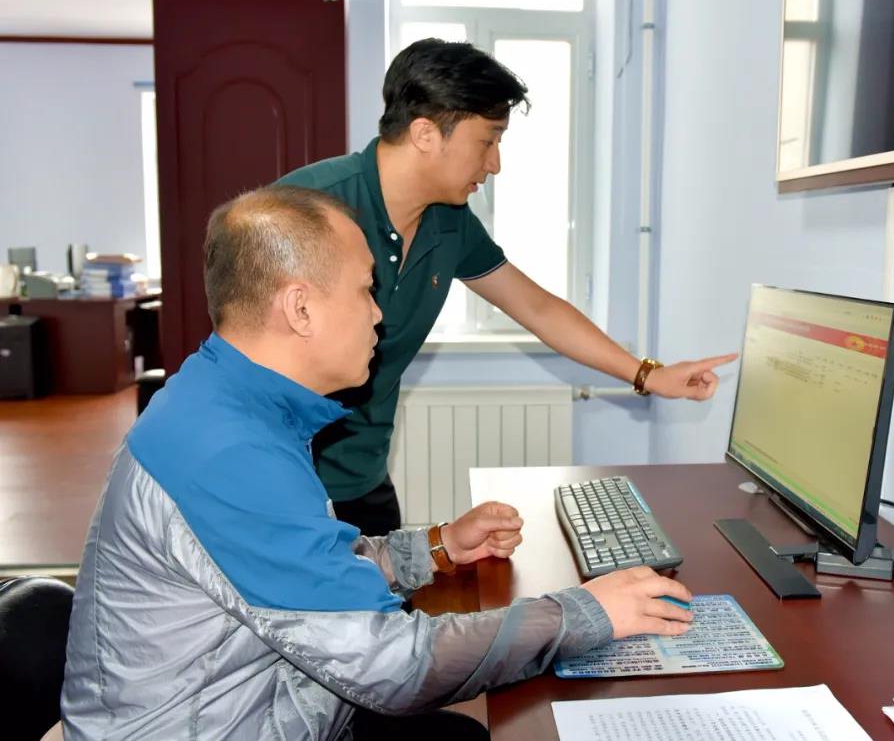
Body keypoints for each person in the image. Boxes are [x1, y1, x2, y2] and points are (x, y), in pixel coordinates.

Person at [60, 185, 695, 740]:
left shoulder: (224, 400)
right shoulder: (228, 453)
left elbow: (308, 567)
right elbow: (393, 667)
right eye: (366, 290)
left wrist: (438, 547)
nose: (378, 313)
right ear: (300, 308)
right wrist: (585, 612)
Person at [278, 38, 738, 536]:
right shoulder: (304, 207)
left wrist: (649, 375)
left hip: (363, 480)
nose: (495, 163)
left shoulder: (449, 221)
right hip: (282, 483)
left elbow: (537, 308)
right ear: (426, 133)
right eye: (487, 141)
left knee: (398, 583)